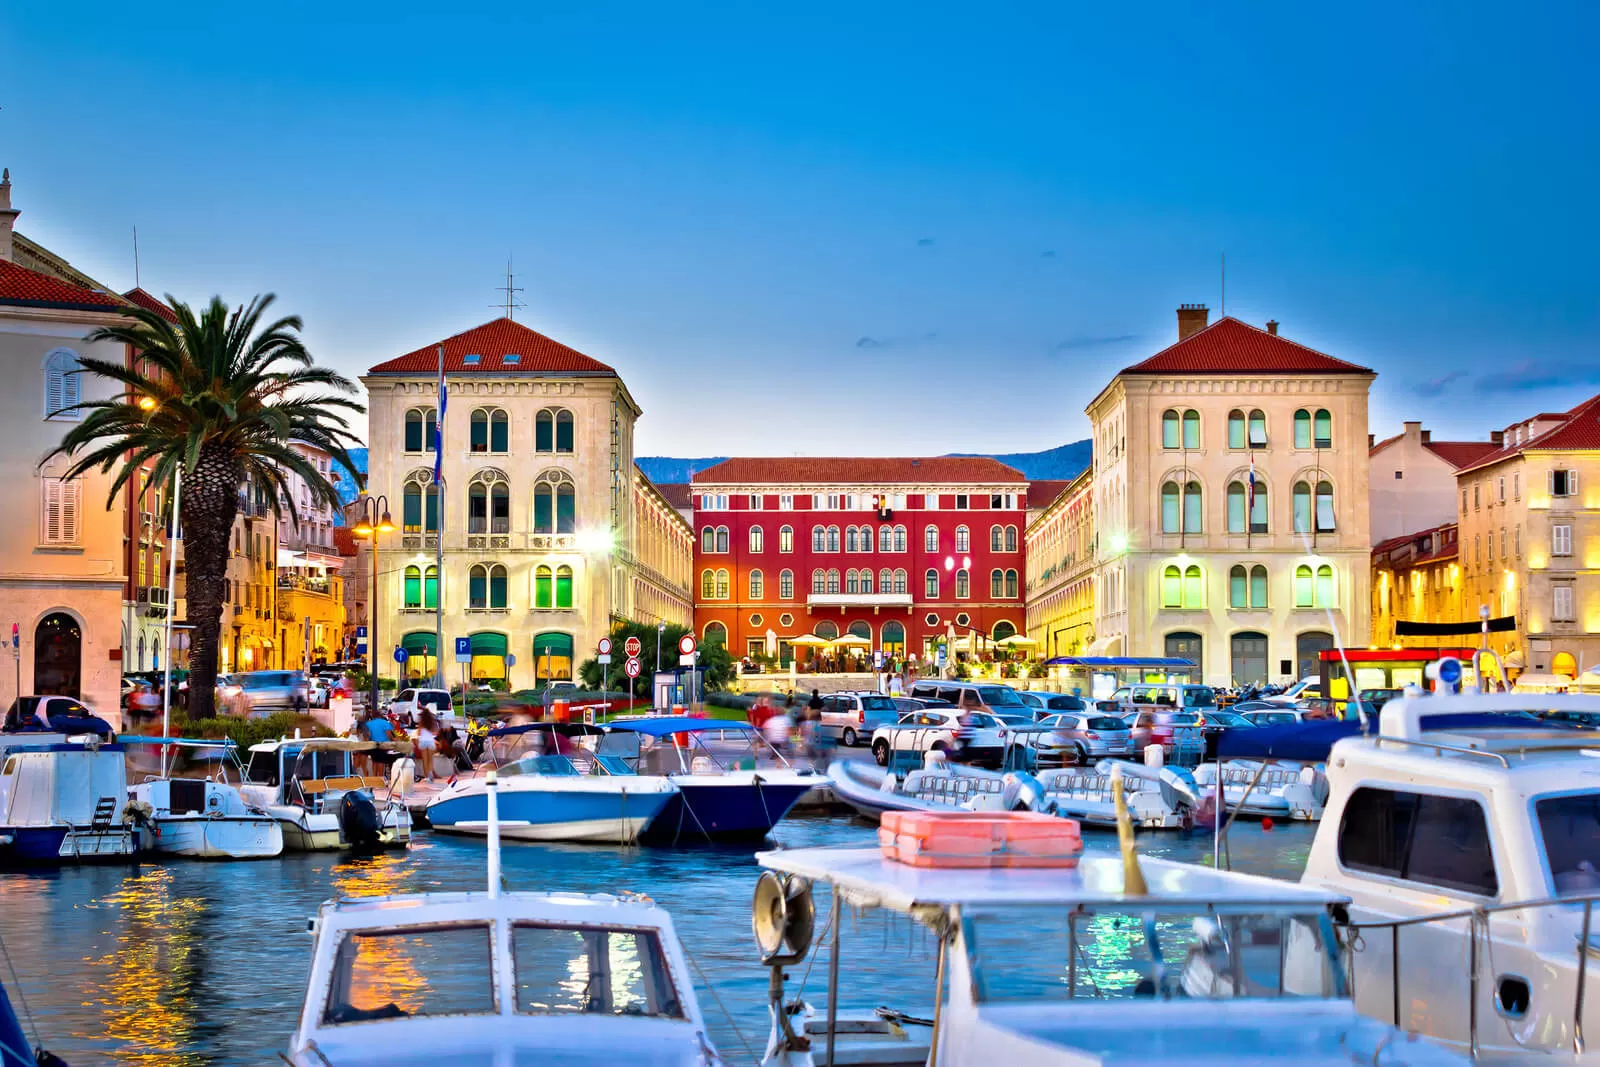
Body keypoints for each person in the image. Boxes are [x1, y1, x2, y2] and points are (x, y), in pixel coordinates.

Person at [416, 709, 440, 780]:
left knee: (425, 760)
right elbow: (435, 732)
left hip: (423, 741)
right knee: (430, 759)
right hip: (430, 741)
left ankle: (426, 777)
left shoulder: (421, 722)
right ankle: (430, 775)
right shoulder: (431, 722)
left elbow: (419, 733)